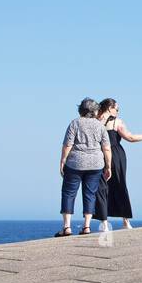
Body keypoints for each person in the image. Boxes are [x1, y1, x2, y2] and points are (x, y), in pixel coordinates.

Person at [91, 98, 142, 230]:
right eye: (117, 109)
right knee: (120, 185)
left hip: (99, 155)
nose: (118, 112)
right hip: (116, 155)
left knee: (101, 188)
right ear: (110, 108)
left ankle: (104, 223)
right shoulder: (116, 122)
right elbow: (130, 138)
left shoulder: (95, 122)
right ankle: (125, 222)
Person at [58, 98, 112, 237]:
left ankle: (67, 227)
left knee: (69, 193)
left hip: (75, 163)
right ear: (95, 111)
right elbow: (106, 148)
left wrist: (63, 160)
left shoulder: (75, 123)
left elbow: (68, 145)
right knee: (90, 194)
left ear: (81, 110)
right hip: (95, 164)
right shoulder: (100, 126)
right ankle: (86, 226)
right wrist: (108, 166)